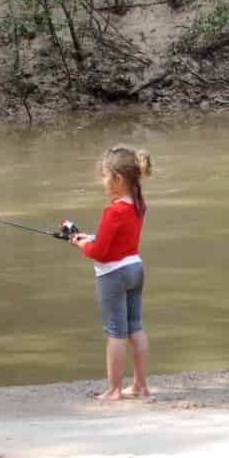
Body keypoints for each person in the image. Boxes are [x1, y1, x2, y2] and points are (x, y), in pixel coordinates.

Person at [69, 145, 152, 401]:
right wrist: (91, 237)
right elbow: (116, 240)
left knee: (115, 332)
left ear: (117, 178)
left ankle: (114, 390)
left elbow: (100, 252)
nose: (102, 181)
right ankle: (140, 385)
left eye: (105, 175)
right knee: (135, 327)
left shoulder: (113, 210)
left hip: (113, 276)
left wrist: (82, 244)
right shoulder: (138, 204)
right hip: (135, 268)